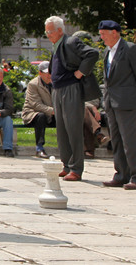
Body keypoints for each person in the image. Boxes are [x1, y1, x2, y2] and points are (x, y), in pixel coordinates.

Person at [43, 16, 100, 181]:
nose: (48, 35)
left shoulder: (71, 42)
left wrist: (80, 72)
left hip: (71, 89)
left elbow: (92, 54)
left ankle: (76, 168)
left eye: (50, 31)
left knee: (73, 128)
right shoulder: (57, 45)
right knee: (62, 130)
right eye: (46, 31)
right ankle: (66, 165)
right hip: (58, 90)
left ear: (60, 30)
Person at [97, 20, 136, 189]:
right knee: (117, 140)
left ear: (115, 32)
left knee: (130, 140)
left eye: (104, 33)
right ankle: (121, 174)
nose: (101, 37)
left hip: (127, 101)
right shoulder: (107, 51)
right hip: (111, 101)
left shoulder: (130, 49)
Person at [22, 61, 56, 158]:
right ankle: (39, 148)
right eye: (47, 73)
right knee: (41, 116)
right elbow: (35, 104)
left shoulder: (56, 83)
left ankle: (68, 147)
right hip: (32, 114)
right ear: (40, 73)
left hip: (52, 114)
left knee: (66, 118)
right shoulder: (33, 84)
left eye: (51, 72)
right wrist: (53, 111)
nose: (50, 75)